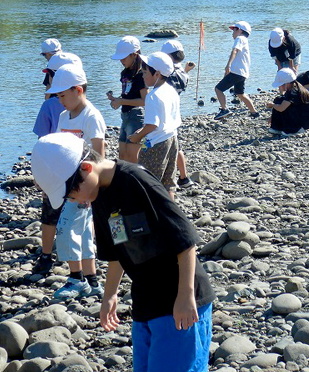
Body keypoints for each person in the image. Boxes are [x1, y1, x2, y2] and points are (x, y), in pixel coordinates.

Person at [30, 133, 215, 372]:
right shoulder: (98, 195)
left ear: (86, 168)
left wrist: (186, 296)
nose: (72, 200)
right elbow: (116, 251)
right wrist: (109, 296)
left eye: (71, 193)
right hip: (146, 300)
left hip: (179, 298)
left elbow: (185, 241)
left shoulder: (136, 181)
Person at [38, 64, 107, 293]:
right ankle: (91, 280)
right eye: (57, 96)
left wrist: (94, 188)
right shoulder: (63, 116)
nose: (60, 101)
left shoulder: (91, 116)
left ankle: (77, 278)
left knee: (68, 228)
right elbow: (58, 147)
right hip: (67, 183)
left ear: (78, 90)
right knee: (81, 229)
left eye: (63, 96)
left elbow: (99, 154)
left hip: (85, 185)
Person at [128, 52, 182, 198]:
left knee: (148, 181)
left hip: (156, 143)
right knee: (168, 183)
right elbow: (164, 119)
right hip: (172, 139)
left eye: (145, 72)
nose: (142, 76)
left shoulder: (153, 96)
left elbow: (152, 125)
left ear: (157, 74)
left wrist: (137, 136)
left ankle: (151, 210)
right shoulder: (171, 90)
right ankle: (169, 209)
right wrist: (143, 129)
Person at [161, 40, 196, 189]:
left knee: (164, 145)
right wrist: (186, 69)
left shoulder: (167, 73)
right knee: (176, 145)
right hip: (175, 113)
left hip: (164, 112)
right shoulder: (182, 74)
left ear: (168, 56)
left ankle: (165, 177)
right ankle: (183, 177)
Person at [109, 36, 147, 163]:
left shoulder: (141, 74)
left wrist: (122, 101)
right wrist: (116, 100)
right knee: (122, 156)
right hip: (125, 116)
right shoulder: (125, 73)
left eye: (124, 57)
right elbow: (128, 95)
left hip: (136, 116)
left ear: (134, 55)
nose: (121, 60)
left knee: (133, 158)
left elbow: (145, 101)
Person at [214, 21, 258, 120]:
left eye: (234, 30)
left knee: (218, 89)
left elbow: (234, 51)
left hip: (236, 72)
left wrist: (228, 65)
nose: (232, 33)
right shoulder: (244, 40)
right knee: (240, 94)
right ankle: (254, 112)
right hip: (242, 73)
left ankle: (224, 109)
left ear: (240, 30)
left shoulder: (240, 38)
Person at [34, 52, 82, 138]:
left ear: (56, 76)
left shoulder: (49, 105)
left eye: (49, 75)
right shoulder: (87, 106)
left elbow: (42, 138)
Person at [265, 68, 309, 136]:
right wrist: (273, 116)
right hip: (303, 116)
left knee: (279, 103)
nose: (280, 87)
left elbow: (281, 108)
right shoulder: (295, 86)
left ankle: (294, 129)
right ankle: (277, 127)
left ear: (287, 83)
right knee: (279, 99)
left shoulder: (293, 91)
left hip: (306, 120)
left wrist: (272, 105)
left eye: (281, 84)